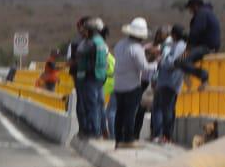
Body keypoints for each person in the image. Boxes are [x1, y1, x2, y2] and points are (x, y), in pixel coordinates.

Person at [112, 18, 153, 149]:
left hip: (118, 84)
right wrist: (157, 64)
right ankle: (128, 139)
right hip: (131, 86)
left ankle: (118, 139)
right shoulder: (136, 49)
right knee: (130, 113)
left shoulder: (119, 44)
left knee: (120, 112)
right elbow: (144, 67)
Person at [152, 24, 188, 143]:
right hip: (173, 80)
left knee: (166, 109)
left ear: (174, 35)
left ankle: (166, 136)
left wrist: (161, 60)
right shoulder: (181, 45)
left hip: (169, 81)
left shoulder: (179, 46)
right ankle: (167, 135)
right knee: (170, 109)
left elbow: (171, 62)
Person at [176, 0, 221, 86]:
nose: (189, 10)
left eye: (190, 7)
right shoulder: (206, 13)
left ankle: (204, 76)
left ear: (195, 6)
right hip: (205, 46)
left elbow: (195, 34)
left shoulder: (201, 14)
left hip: (206, 47)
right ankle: (188, 73)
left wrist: (185, 41)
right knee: (178, 61)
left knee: (180, 61)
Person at [77, 19, 109, 139]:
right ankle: (99, 130)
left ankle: (93, 131)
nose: (82, 32)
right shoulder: (101, 41)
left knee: (91, 105)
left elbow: (83, 56)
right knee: (98, 104)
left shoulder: (90, 43)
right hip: (100, 76)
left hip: (90, 76)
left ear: (90, 30)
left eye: (84, 30)